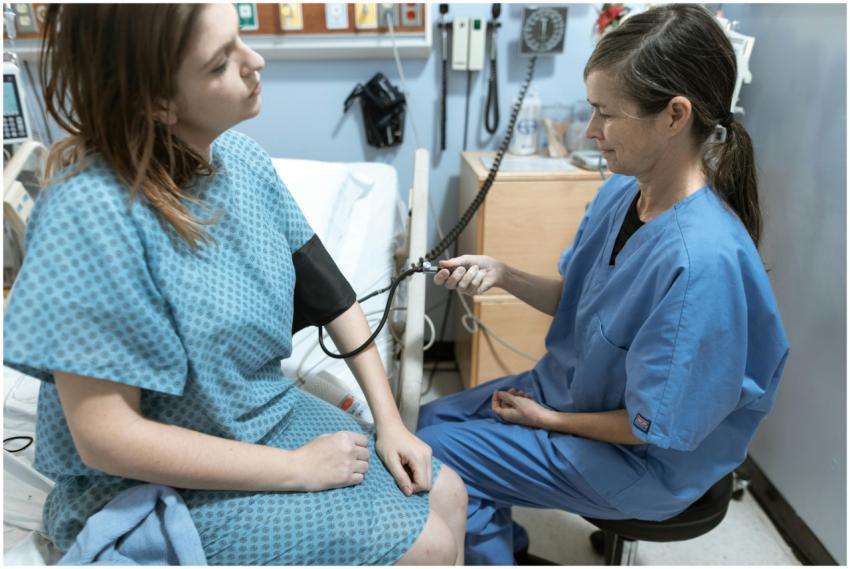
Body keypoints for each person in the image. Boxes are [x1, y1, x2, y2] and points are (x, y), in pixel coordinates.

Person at [3, 4, 467, 565]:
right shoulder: (90, 213)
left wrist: (391, 423)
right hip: (155, 477)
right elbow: (106, 439)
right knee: (429, 548)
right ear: (156, 102)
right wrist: (297, 470)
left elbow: (332, 296)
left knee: (449, 492)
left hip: (264, 412)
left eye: (242, 40)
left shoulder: (241, 161)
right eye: (223, 62)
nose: (256, 62)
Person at [417, 4, 789, 565]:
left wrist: (547, 421)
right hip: (575, 392)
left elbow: (653, 428)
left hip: (642, 460)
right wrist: (502, 272)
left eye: (605, 114)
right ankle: (499, 539)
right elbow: (579, 300)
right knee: (426, 420)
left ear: (674, 115)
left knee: (434, 456)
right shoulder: (624, 191)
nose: (591, 131)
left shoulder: (701, 264)